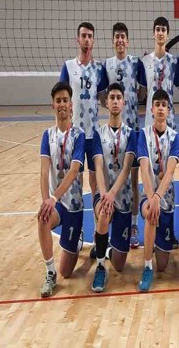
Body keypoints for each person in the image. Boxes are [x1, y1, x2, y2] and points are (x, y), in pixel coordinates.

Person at [37, 82, 86, 298]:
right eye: (58, 101)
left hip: (73, 205)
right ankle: (49, 272)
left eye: (65, 100)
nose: (62, 104)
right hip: (56, 205)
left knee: (68, 272)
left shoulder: (79, 135)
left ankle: (78, 237)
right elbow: (43, 170)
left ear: (71, 105)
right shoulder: (47, 135)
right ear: (53, 105)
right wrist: (46, 201)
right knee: (42, 218)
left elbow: (75, 170)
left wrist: (54, 198)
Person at [59, 22, 108, 237]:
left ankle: (99, 227)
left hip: (94, 133)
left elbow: (104, 99)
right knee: (75, 182)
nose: (87, 39)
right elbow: (62, 99)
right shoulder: (68, 67)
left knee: (95, 180)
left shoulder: (99, 69)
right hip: (75, 135)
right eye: (83, 36)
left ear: (93, 40)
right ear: (77, 39)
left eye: (90, 36)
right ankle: (77, 230)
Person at [90, 82, 139, 292]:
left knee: (120, 265)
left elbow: (127, 168)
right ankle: (100, 267)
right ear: (106, 102)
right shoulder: (98, 134)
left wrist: (112, 194)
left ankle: (107, 250)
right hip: (104, 195)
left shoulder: (131, 134)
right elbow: (98, 166)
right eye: (112, 98)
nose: (116, 101)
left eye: (119, 97)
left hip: (123, 198)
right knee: (103, 212)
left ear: (124, 102)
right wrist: (104, 195)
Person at [103, 22, 143, 249]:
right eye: (116, 36)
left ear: (128, 41)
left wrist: (132, 104)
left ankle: (134, 226)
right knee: (110, 179)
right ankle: (106, 225)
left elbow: (143, 91)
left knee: (134, 182)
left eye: (123, 37)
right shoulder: (107, 65)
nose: (120, 40)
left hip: (132, 130)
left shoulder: (136, 63)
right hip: (112, 133)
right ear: (113, 41)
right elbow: (102, 94)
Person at [137, 89, 179, 292]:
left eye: (164, 105)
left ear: (169, 110)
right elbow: (144, 169)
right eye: (157, 105)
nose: (161, 108)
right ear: (152, 109)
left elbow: (170, 171)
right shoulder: (143, 135)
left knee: (163, 266)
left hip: (166, 199)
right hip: (148, 196)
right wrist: (151, 198)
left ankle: (155, 243)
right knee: (151, 214)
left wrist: (158, 197)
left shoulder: (175, 137)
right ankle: (147, 267)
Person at [137, 16, 179, 129]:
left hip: (169, 119)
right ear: (153, 34)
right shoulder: (145, 61)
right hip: (151, 119)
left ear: (167, 35)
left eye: (163, 30)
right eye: (158, 29)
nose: (160, 33)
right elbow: (141, 94)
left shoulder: (174, 62)